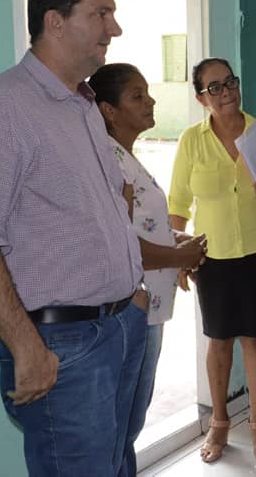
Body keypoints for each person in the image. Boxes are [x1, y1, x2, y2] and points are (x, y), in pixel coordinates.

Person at [0, 0, 147, 476]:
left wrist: (132, 295)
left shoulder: (83, 105)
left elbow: (104, 207)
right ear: (55, 22)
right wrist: (25, 346)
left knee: (117, 465)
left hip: (120, 326)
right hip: (64, 346)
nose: (115, 28)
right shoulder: (1, 108)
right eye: (101, 14)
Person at [168, 57, 256, 464]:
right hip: (210, 258)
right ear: (201, 98)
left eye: (230, 82)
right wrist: (177, 256)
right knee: (219, 340)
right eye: (215, 87)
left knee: (254, 338)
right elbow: (178, 203)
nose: (226, 91)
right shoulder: (192, 141)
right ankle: (220, 422)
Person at [88, 62, 207, 477]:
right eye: (137, 96)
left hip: (148, 308)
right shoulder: (110, 162)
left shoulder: (126, 157)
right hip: (131, 311)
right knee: (120, 428)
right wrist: (178, 257)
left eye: (148, 93)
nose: (150, 101)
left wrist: (178, 242)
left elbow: (138, 228)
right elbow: (120, 246)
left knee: (127, 427)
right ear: (108, 110)